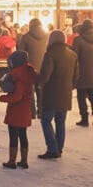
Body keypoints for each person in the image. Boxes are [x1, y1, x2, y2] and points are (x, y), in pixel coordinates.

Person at [37, 30, 78, 159]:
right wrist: (70, 87)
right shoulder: (73, 55)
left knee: (46, 121)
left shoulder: (50, 54)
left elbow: (45, 75)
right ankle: (59, 148)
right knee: (60, 122)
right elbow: (77, 76)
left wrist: (39, 83)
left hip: (51, 93)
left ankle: (52, 149)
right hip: (65, 94)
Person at [0, 51, 36, 169]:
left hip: (16, 113)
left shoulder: (19, 77)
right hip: (25, 111)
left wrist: (3, 98)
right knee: (23, 135)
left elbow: (17, 96)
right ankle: (24, 161)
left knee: (13, 137)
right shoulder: (27, 74)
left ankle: (12, 161)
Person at [17, 18, 48, 119]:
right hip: (43, 67)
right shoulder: (46, 36)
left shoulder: (26, 37)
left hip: (29, 68)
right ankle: (41, 111)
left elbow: (21, 52)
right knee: (41, 91)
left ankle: (32, 112)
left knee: (30, 91)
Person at [71, 18, 93, 126]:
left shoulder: (78, 40)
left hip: (82, 73)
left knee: (81, 97)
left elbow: (74, 57)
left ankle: (84, 118)